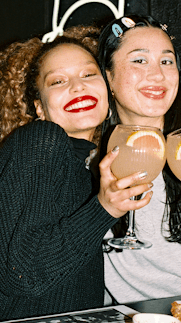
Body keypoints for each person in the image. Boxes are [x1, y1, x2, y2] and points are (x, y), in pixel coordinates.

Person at [0, 25, 152, 321]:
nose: (77, 87)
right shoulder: (42, 139)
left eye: (88, 74)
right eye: (57, 81)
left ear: (108, 90)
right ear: (39, 108)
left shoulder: (89, 164)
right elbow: (22, 275)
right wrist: (103, 209)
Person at [98, 15, 181, 305]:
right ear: (109, 77)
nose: (157, 75)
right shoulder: (93, 164)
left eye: (167, 61)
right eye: (139, 61)